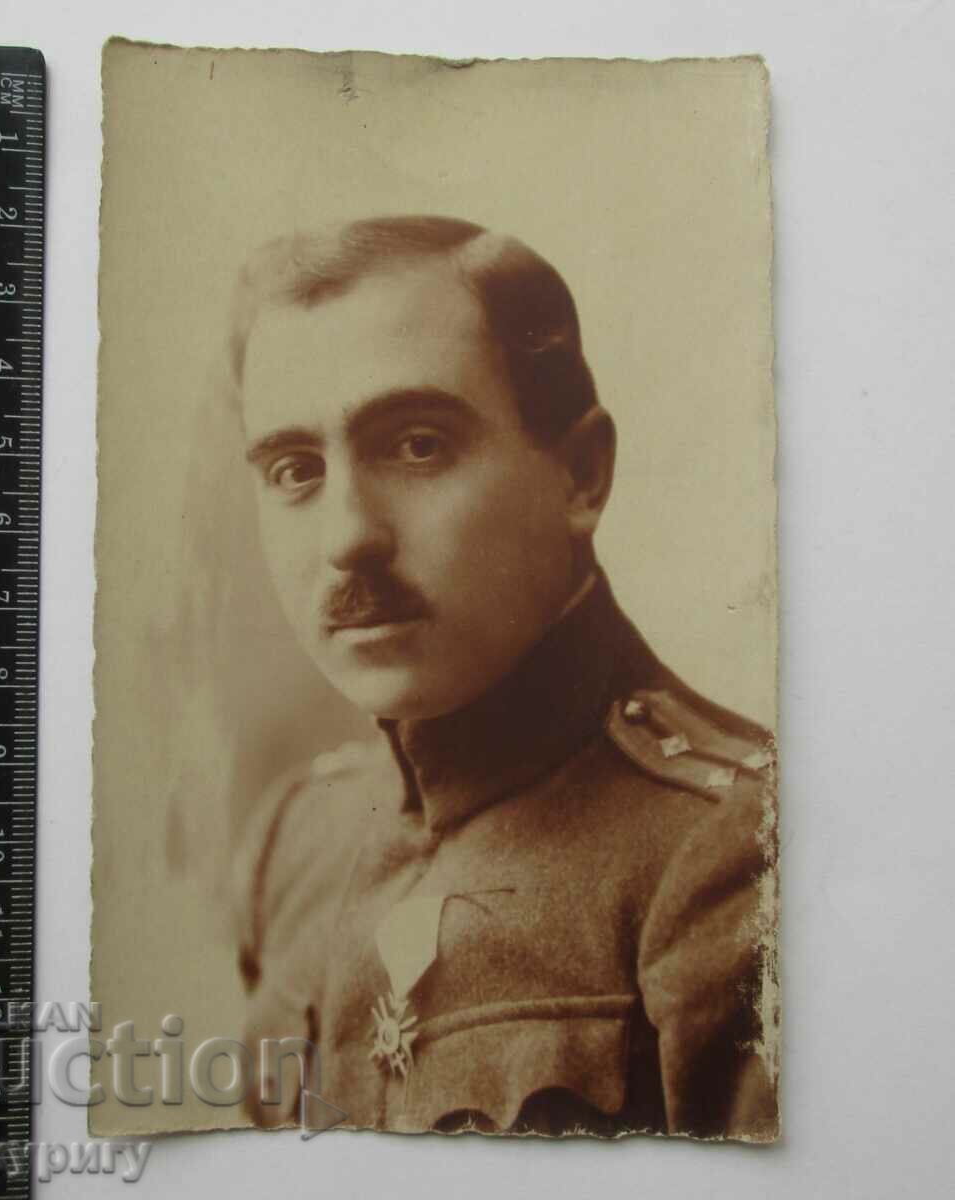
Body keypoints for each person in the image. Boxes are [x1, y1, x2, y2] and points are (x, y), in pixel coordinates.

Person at [229, 215, 778, 1140]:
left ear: (580, 476)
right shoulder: (300, 842)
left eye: (415, 445)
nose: (345, 537)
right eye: (293, 470)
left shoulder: (732, 857)